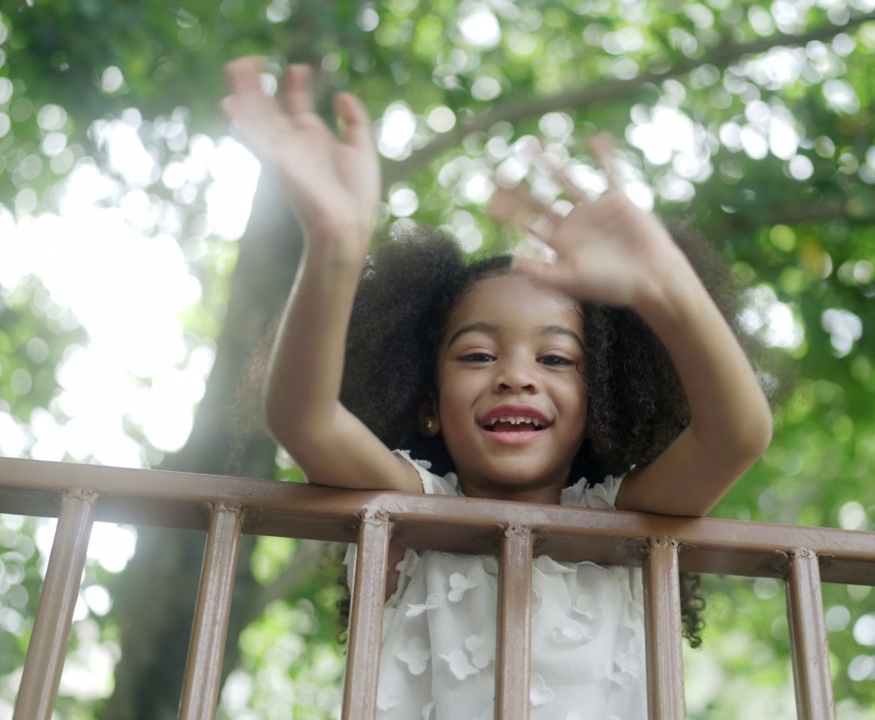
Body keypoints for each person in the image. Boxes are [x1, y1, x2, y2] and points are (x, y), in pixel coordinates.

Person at [223, 56, 775, 720]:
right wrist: (335, 245)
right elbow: (304, 417)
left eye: (557, 360)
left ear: (598, 410)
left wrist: (668, 289)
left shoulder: (622, 524)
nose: (517, 375)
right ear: (429, 406)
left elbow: (735, 436)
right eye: (480, 354)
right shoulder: (411, 516)